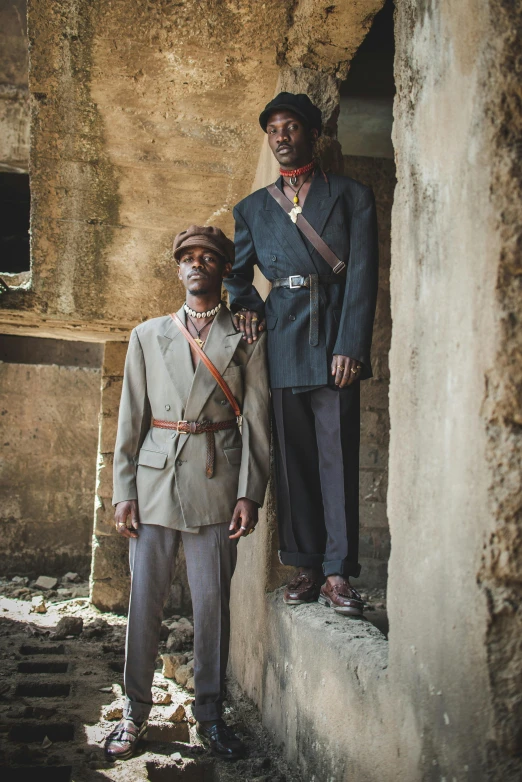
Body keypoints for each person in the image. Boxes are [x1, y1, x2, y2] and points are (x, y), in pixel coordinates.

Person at [104, 225, 270, 762]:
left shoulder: (245, 334)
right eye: (189, 258)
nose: (198, 264)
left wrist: (251, 493)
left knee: (211, 607)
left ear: (224, 270)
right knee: (144, 603)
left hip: (217, 481)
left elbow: (260, 421)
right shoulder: (148, 335)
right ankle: (133, 712)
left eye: (209, 258)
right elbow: (130, 418)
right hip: (153, 482)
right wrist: (121, 490)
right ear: (178, 269)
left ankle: (210, 715)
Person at [224, 92, 378, 617]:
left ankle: (338, 573)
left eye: (291, 126)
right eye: (273, 129)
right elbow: (236, 274)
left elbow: (361, 276)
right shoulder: (251, 209)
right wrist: (245, 307)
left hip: (334, 330)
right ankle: (306, 565)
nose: (281, 136)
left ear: (312, 134)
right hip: (286, 337)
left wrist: (351, 345)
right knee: (293, 459)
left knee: (337, 459)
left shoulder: (353, 196)